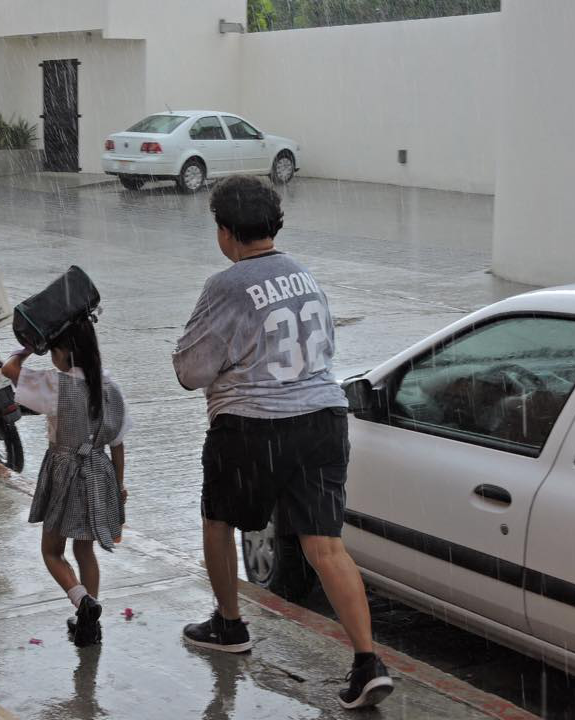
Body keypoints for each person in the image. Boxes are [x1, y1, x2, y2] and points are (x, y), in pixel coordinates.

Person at [172, 175, 393, 710]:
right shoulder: (304, 275)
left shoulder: (226, 285)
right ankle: (367, 662)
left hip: (253, 425)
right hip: (323, 419)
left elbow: (190, 370)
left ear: (226, 232)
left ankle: (229, 624)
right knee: (325, 545)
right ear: (274, 225)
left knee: (219, 521)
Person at [2, 317, 130, 647]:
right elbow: (118, 444)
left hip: (64, 473)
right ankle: (90, 625)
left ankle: (82, 600)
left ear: (61, 352)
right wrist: (118, 487)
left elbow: (9, 369)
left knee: (52, 551)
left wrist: (28, 347)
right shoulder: (110, 387)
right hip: (99, 471)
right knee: (84, 549)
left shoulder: (56, 385)